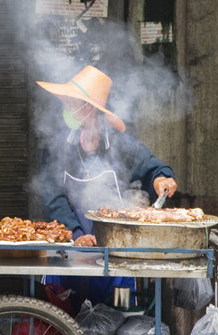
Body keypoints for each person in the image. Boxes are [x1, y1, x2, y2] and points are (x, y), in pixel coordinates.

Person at [36, 64, 178, 307]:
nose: (67, 109)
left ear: (89, 108)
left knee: (114, 319)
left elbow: (152, 166)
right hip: (69, 248)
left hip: (114, 253)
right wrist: (76, 234)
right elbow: (52, 196)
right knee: (64, 316)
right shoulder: (58, 146)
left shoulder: (120, 144)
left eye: (72, 103)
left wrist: (161, 178)